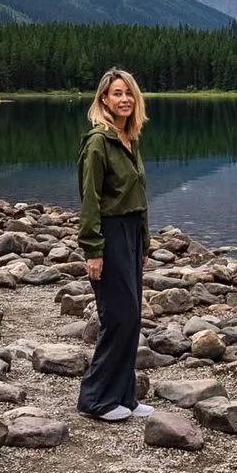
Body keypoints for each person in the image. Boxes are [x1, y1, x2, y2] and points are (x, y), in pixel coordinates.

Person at [76, 66, 155, 423]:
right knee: (118, 317)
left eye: (128, 94)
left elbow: (138, 195)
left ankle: (124, 396)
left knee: (133, 316)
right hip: (108, 234)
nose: (124, 99)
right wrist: (92, 249)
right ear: (103, 99)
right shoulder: (98, 142)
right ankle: (95, 399)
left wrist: (145, 242)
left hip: (131, 235)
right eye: (116, 94)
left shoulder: (129, 138)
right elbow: (89, 198)